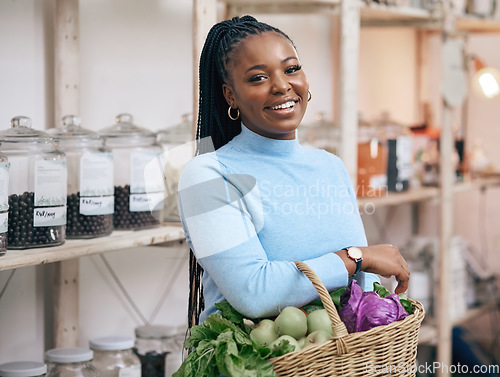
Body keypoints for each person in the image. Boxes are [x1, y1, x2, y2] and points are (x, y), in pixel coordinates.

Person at [178, 15, 410, 327]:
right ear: (230, 96)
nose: (282, 86)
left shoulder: (329, 166)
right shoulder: (207, 175)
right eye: (258, 78)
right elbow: (254, 293)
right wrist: (356, 257)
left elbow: (359, 292)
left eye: (291, 69)